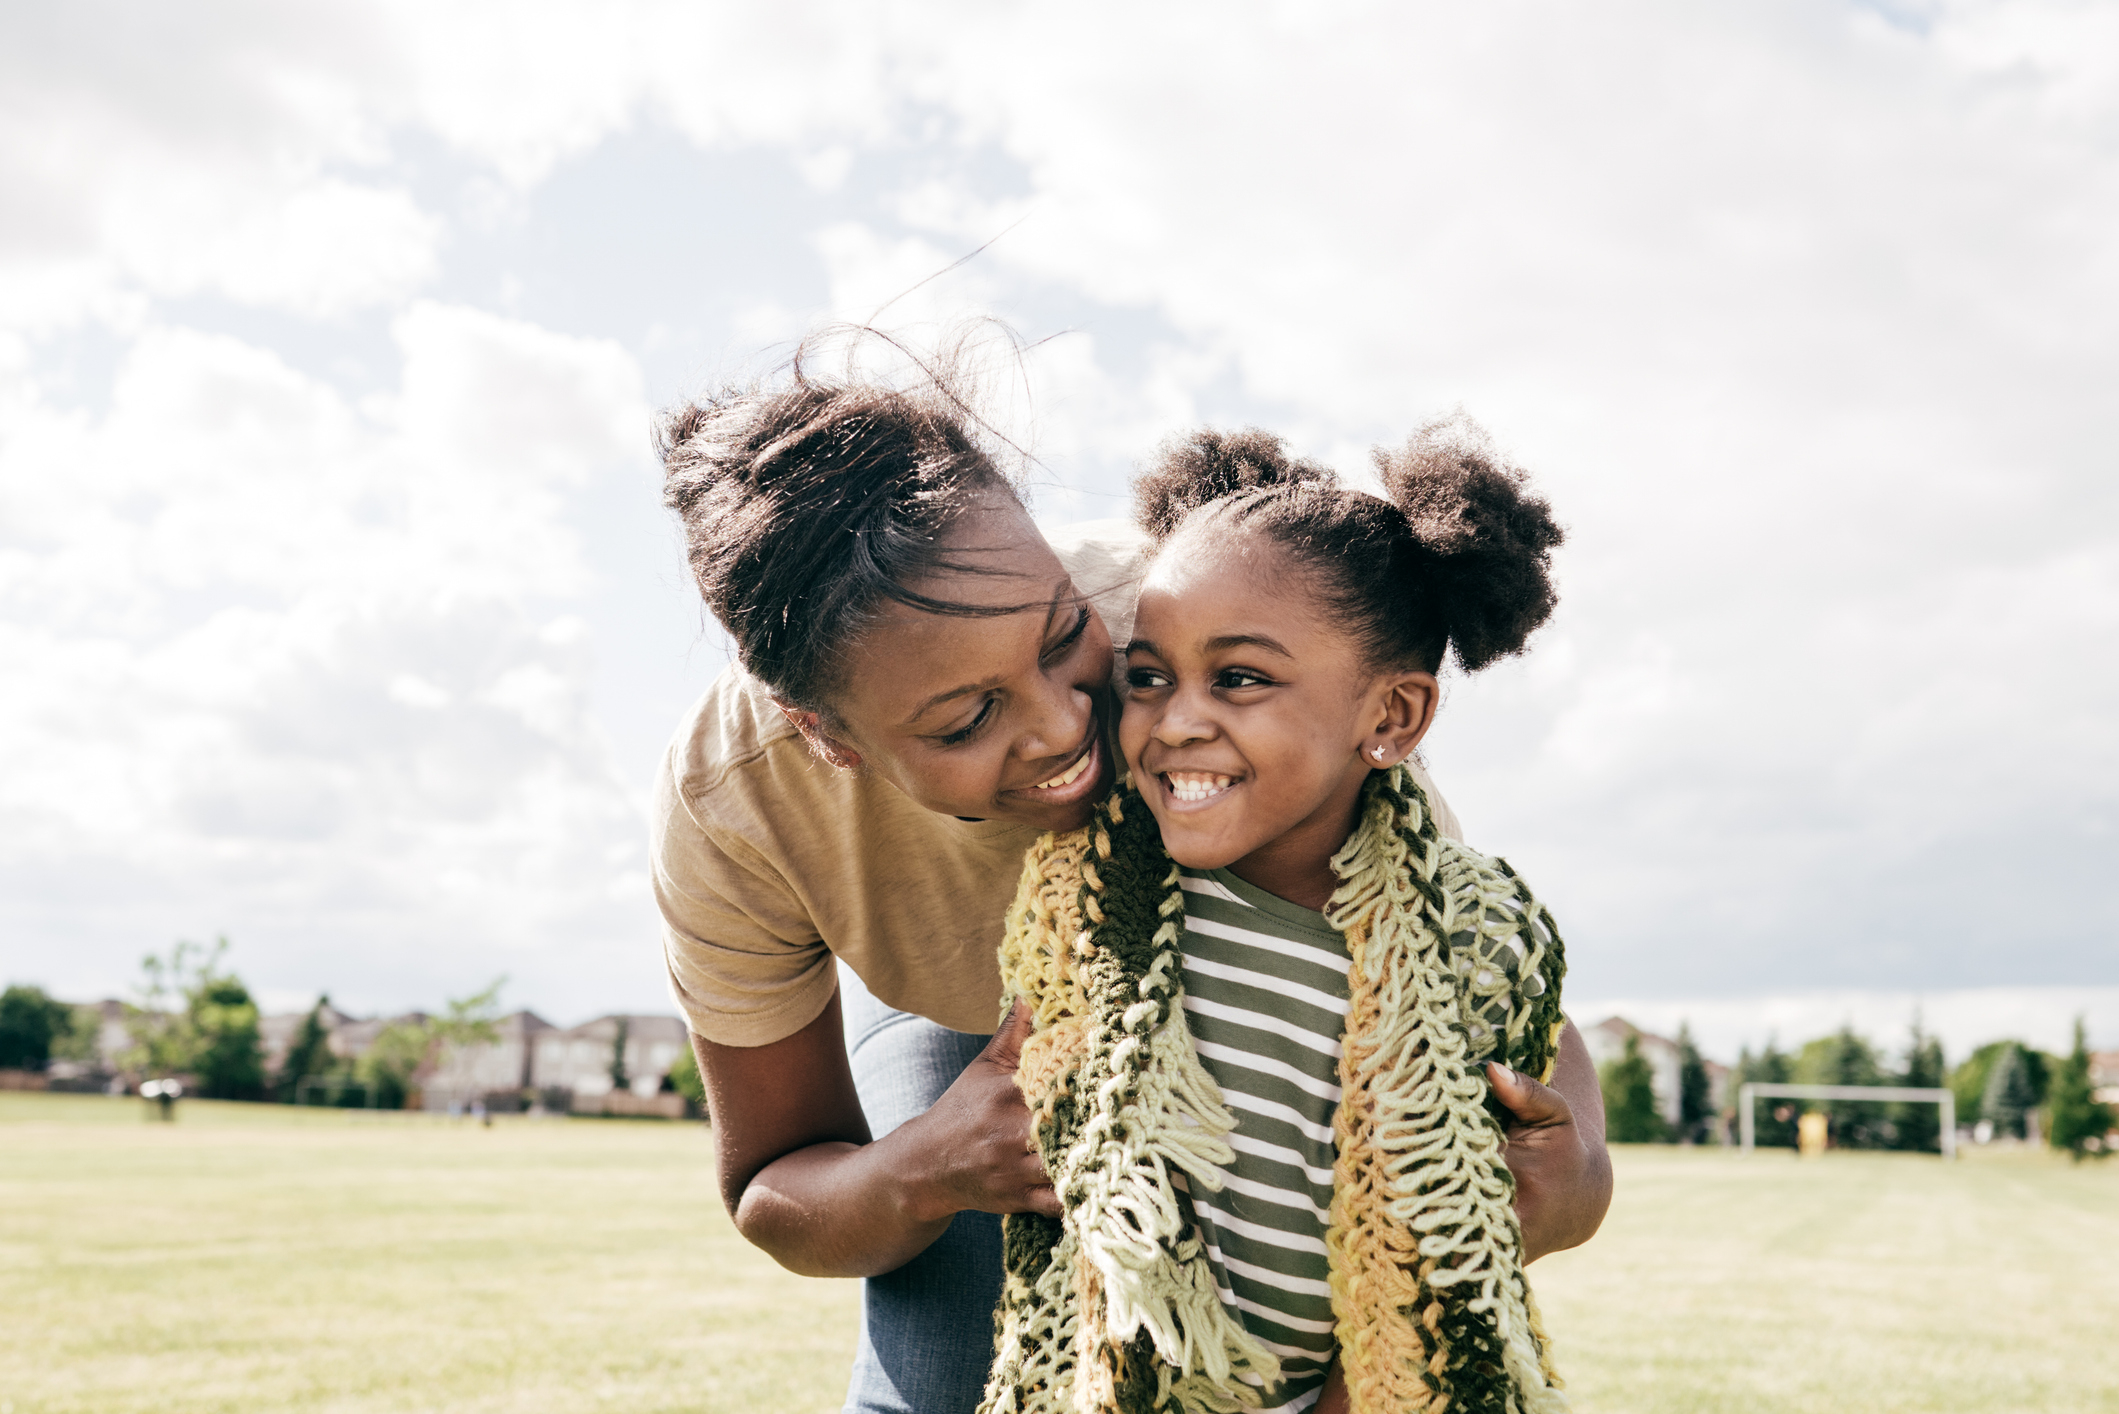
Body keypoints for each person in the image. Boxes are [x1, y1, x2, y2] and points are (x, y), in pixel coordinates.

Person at [651, 359, 1613, 1414]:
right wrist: (928, 1165)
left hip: (1206, 1038)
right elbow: (772, 1184)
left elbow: (1446, 992)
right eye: (965, 718)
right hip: (965, 1016)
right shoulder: (734, 797)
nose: (1069, 727)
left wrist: (1575, 1175)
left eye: (1067, 643)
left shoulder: (1199, 634)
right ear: (824, 734)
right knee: (940, 1372)